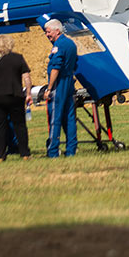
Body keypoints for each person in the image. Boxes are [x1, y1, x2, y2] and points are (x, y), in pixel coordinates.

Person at [0, 35, 32, 160]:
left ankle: (1, 155)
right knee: (19, 125)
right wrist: (29, 93)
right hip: (14, 95)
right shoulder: (18, 58)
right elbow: (27, 77)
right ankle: (24, 153)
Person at [44, 18, 78, 158]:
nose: (47, 35)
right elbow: (75, 64)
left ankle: (52, 151)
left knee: (55, 117)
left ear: (57, 30)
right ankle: (71, 150)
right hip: (69, 81)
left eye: (48, 32)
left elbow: (56, 67)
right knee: (70, 117)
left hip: (59, 83)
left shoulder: (58, 45)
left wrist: (49, 88)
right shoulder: (71, 43)